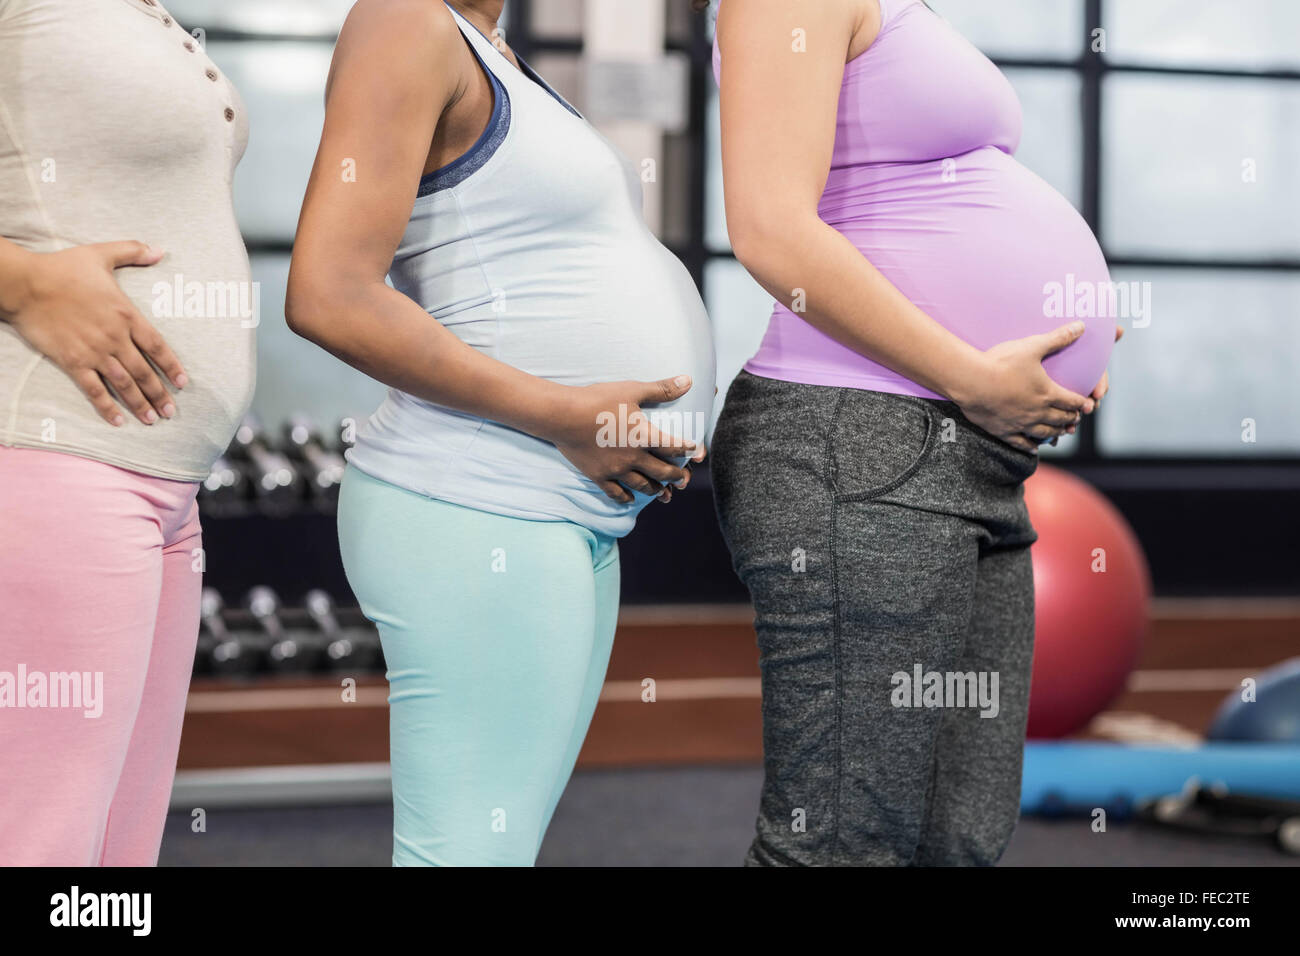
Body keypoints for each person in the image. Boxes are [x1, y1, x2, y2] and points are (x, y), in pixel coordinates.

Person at [286, 0, 715, 866]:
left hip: (554, 509)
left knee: (496, 848)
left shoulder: (493, 50)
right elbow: (327, 294)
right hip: (477, 497)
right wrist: (562, 413)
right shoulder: (405, 20)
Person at [708, 0, 1121, 865]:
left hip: (977, 456)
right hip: (858, 442)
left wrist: (1070, 326)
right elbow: (770, 230)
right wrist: (976, 374)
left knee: (956, 837)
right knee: (841, 845)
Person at [0, 0, 253, 865]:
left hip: (164, 486)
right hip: (54, 454)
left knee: (117, 854)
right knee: (46, 844)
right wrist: (25, 283)